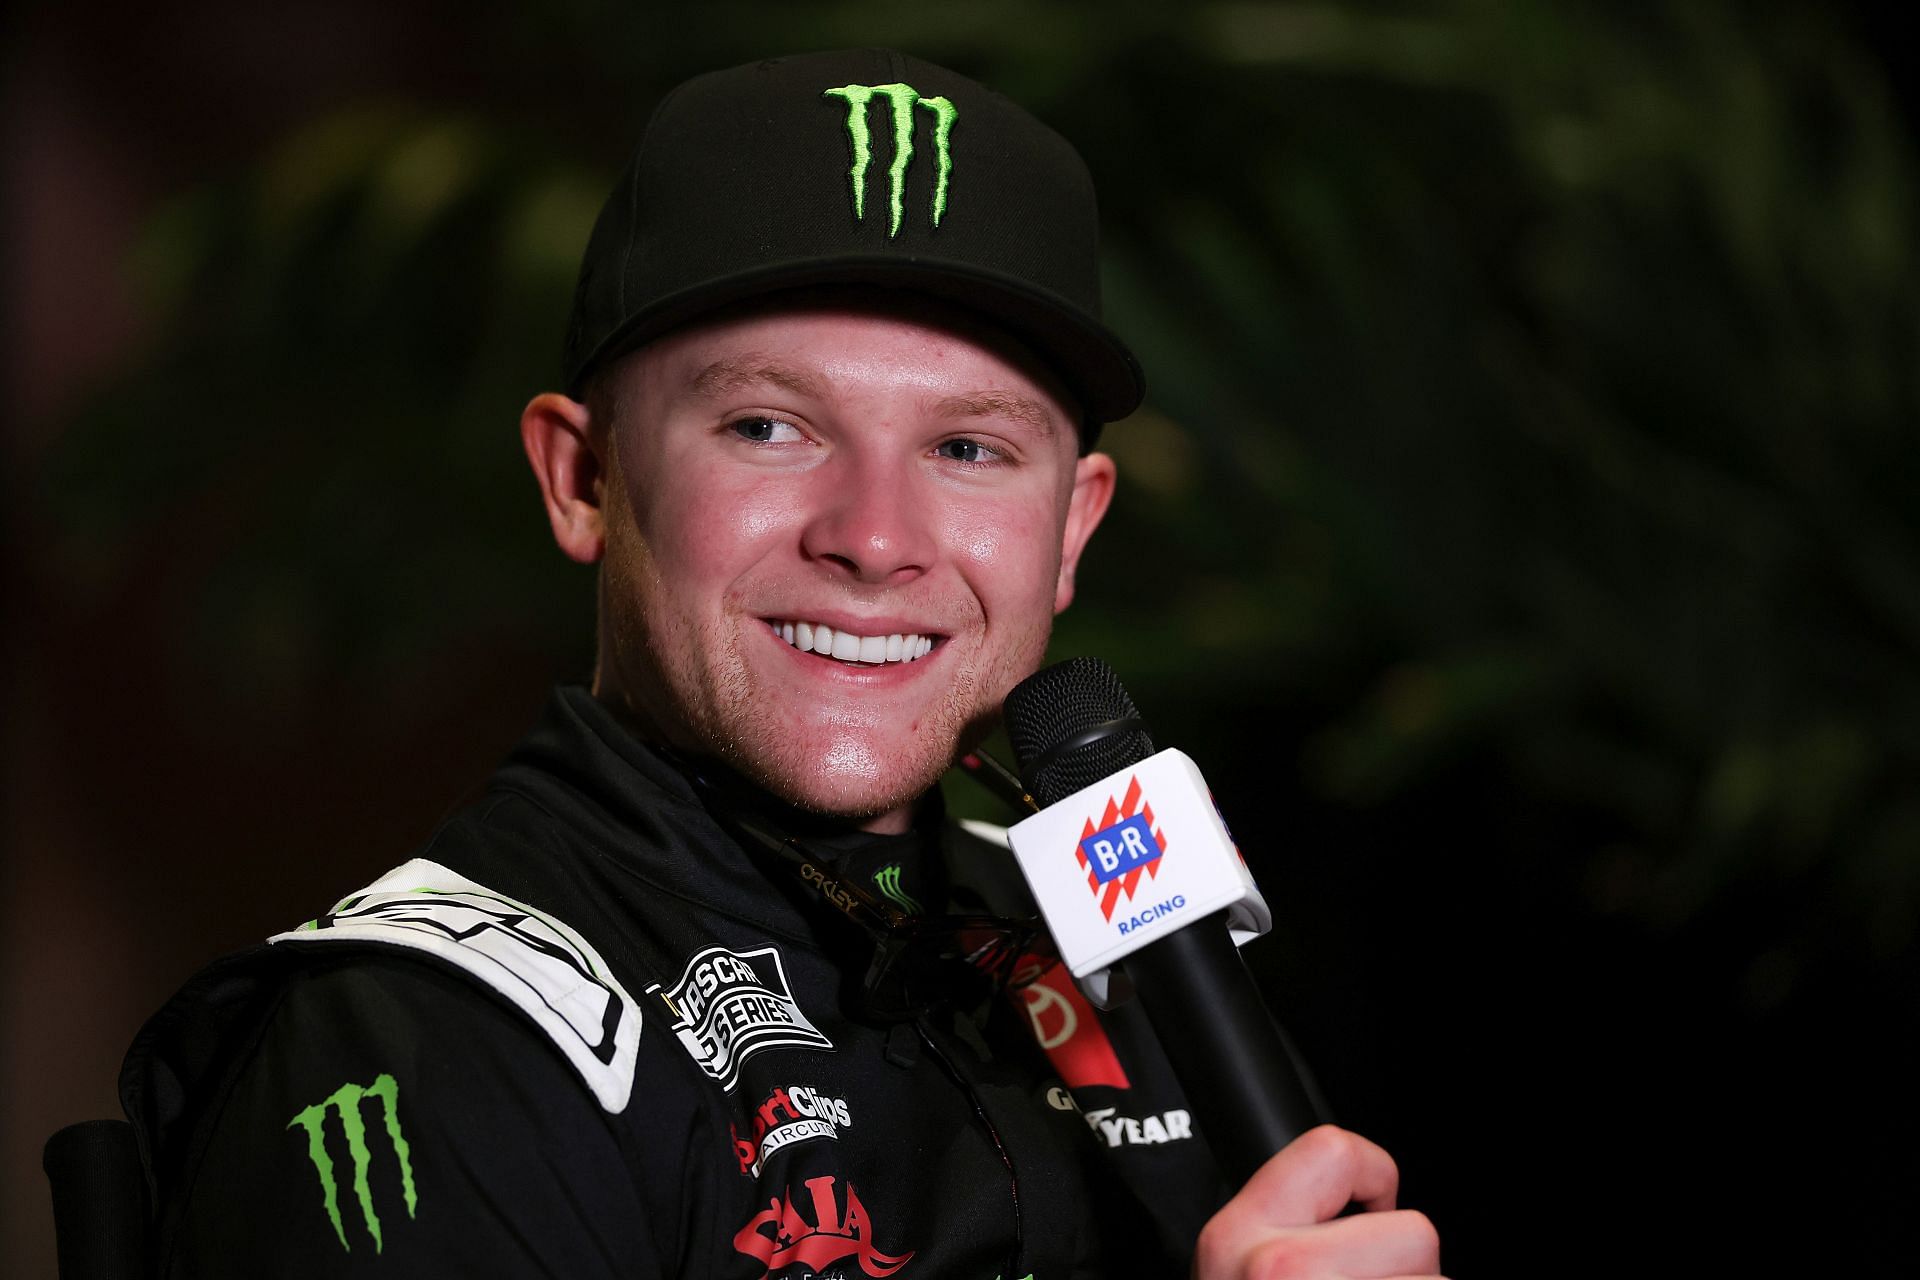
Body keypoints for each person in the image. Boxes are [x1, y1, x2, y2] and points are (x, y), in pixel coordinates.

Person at [119, 50, 1443, 1278]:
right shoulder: (421, 1051)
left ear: (1071, 528)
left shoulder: (1130, 956)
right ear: (584, 479)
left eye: (969, 449)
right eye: (767, 425)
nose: (874, 539)